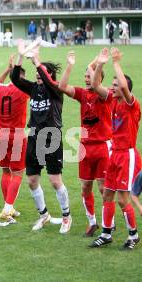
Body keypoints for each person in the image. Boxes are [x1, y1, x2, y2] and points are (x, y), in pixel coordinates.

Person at [10, 39, 72, 234]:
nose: (38, 75)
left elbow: (47, 80)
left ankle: (66, 216)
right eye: (37, 72)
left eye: (42, 72)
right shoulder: (34, 89)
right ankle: (43, 215)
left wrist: (37, 61)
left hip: (52, 136)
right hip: (35, 136)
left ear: (49, 75)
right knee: (32, 180)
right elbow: (15, 79)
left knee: (55, 181)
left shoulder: (56, 91)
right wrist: (21, 56)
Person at [89, 48, 141, 250]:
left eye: (116, 85)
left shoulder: (132, 105)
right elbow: (95, 85)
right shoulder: (112, 99)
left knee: (122, 199)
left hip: (127, 156)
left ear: (124, 88)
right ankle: (106, 233)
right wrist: (101, 63)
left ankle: (133, 235)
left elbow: (126, 89)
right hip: (114, 154)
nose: (112, 88)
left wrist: (117, 63)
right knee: (107, 194)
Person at [58, 51, 112, 237]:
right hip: (84, 148)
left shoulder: (106, 95)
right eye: (85, 76)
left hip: (102, 147)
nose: (86, 79)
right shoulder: (82, 94)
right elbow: (62, 86)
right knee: (85, 187)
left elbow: (97, 83)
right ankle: (92, 222)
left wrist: (97, 63)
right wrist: (70, 65)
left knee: (104, 189)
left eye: (89, 76)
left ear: (98, 78)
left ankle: (108, 223)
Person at [0, 55, 29, 222]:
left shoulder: (0, 89)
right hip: (16, 136)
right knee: (18, 173)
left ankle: (9, 206)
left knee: (5, 170)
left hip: (0, 135)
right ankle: (7, 208)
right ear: (20, 77)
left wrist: (8, 68)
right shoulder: (22, 90)